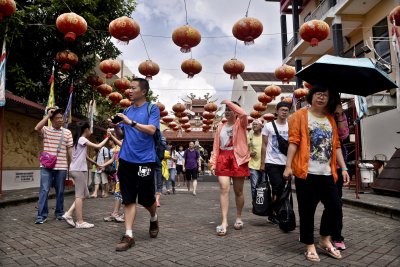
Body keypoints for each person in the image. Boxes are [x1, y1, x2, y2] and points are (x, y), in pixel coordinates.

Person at [283, 87, 350, 262]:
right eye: (318, 94)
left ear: (329, 99)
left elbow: (336, 145)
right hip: (306, 173)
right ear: (311, 97)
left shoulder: (330, 119)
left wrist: (343, 168)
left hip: (328, 173)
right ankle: (309, 245)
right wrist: (288, 166)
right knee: (307, 211)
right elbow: (293, 142)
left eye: (325, 95)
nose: (321, 97)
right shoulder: (299, 116)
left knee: (335, 206)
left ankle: (324, 240)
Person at [113, 78, 160, 251]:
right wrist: (116, 126)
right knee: (129, 198)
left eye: (133, 88)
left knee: (147, 198)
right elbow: (121, 136)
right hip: (126, 159)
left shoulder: (152, 109)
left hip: (145, 161)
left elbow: (151, 130)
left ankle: (154, 217)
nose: (129, 91)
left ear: (143, 92)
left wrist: (130, 122)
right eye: (129, 88)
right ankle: (129, 235)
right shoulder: (127, 110)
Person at [210, 100, 250, 236]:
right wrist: (213, 162)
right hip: (223, 157)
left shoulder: (242, 123)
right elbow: (216, 146)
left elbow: (244, 114)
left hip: (238, 158)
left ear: (235, 111)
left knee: (238, 191)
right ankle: (224, 221)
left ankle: (238, 217)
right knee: (224, 188)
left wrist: (228, 102)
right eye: (225, 109)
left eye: (229, 109)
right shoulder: (220, 127)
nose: (227, 111)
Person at [62, 122, 109, 228]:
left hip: (76, 170)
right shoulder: (82, 139)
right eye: (90, 129)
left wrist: (96, 163)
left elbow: (85, 156)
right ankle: (79, 222)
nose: (90, 131)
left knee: (85, 194)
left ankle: (69, 213)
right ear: (86, 129)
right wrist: (108, 137)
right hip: (78, 171)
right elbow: (98, 146)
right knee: (79, 196)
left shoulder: (77, 141)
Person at [34, 107, 73, 224]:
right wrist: (47, 115)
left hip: (61, 167)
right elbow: (36, 128)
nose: (61, 120)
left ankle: (59, 213)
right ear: (52, 120)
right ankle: (41, 216)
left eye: (62, 117)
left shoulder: (67, 132)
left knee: (60, 191)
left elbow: (70, 150)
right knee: (44, 190)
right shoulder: (45, 130)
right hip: (46, 166)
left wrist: (70, 166)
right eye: (57, 118)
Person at [260, 102, 290, 224]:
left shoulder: (291, 126)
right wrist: (262, 163)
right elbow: (264, 145)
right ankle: (279, 213)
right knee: (278, 187)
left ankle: (274, 211)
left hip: (286, 162)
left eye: (286, 110)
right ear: (277, 111)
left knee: (282, 188)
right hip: (271, 162)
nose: (284, 112)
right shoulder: (268, 126)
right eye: (282, 110)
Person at [332, 103, 349, 250]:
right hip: (317, 166)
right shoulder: (314, 114)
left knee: (336, 203)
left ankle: (336, 235)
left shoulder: (340, 115)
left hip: (336, 165)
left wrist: (339, 115)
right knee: (312, 202)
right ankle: (307, 234)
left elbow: (343, 135)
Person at [103, 129, 125, 223]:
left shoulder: (124, 142)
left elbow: (122, 145)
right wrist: (102, 165)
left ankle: (125, 214)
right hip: (118, 173)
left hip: (125, 172)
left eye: (116, 133)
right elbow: (113, 159)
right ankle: (115, 213)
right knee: (118, 193)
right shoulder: (116, 146)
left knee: (125, 194)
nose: (115, 134)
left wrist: (111, 136)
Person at [247, 119, 264, 202]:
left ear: (261, 126)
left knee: (264, 186)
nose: (254, 126)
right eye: (253, 124)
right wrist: (249, 153)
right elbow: (245, 147)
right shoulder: (250, 135)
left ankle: (263, 205)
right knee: (254, 186)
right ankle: (255, 205)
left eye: (256, 124)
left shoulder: (264, 135)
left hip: (264, 164)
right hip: (253, 164)